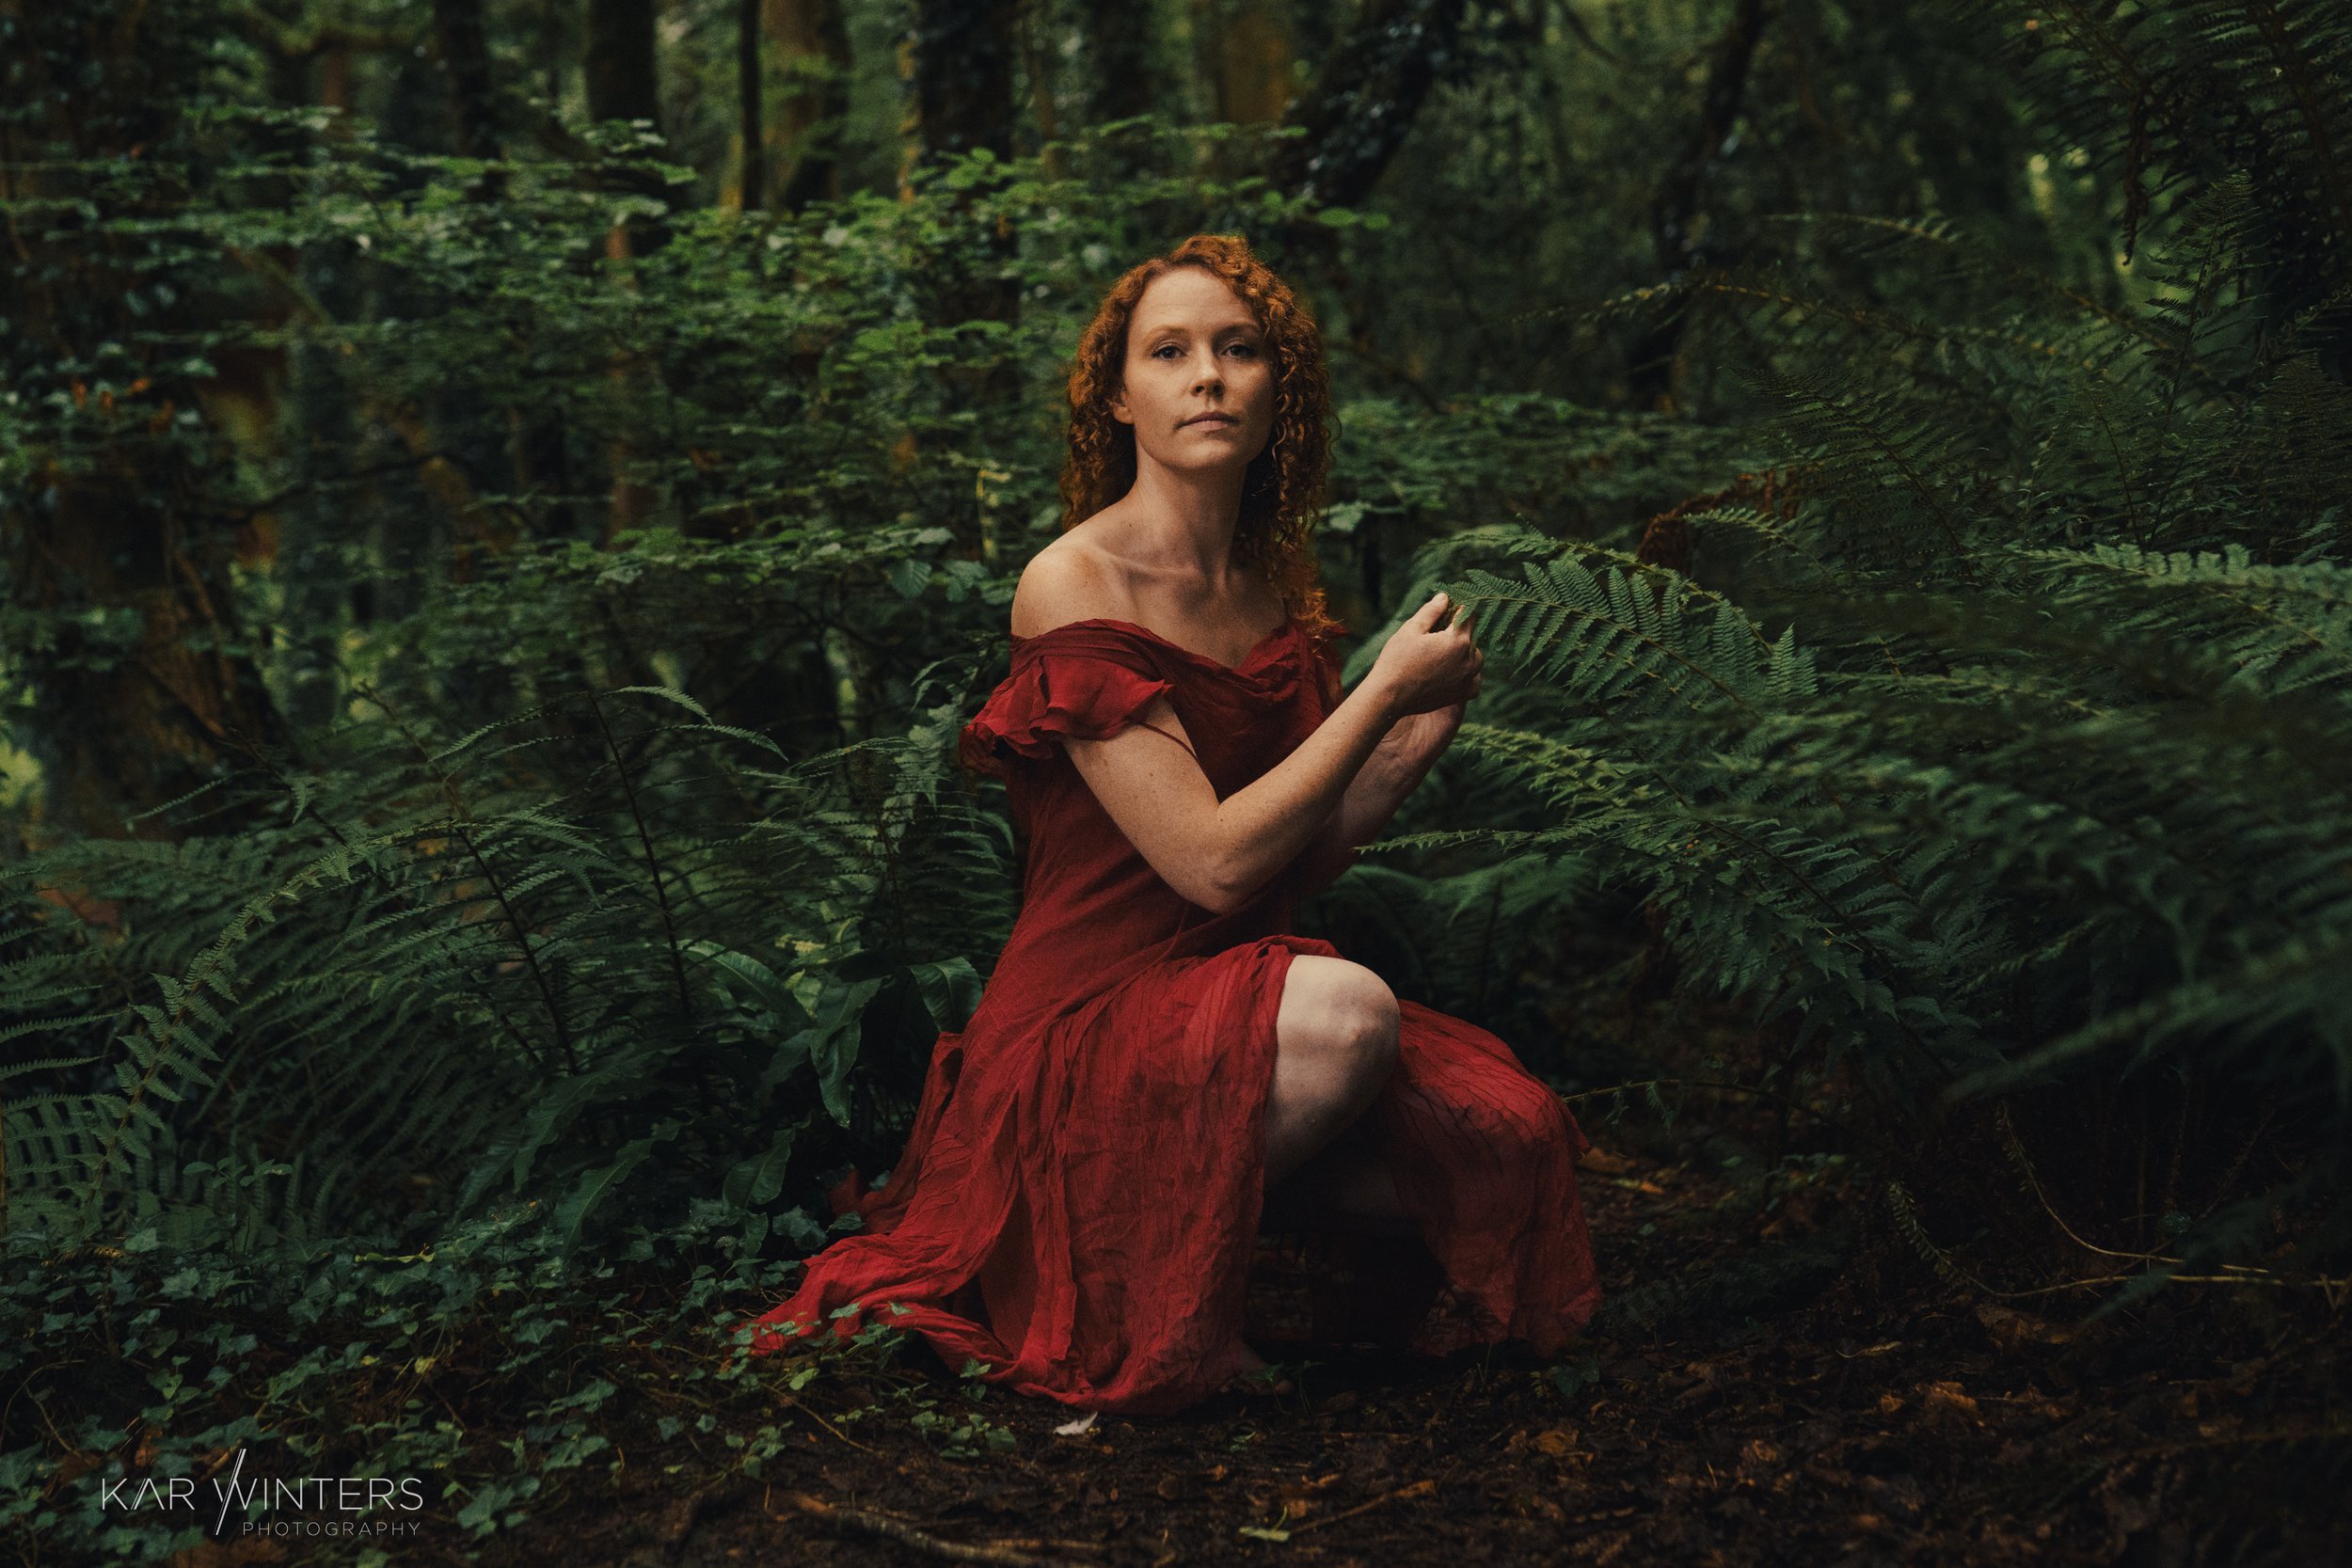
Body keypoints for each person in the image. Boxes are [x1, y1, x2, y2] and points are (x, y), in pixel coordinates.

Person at [744, 233, 1599, 1413]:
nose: (1208, 375)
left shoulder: (1267, 593)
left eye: (1238, 349)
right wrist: (1378, 696)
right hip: (1084, 1021)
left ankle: (1229, 1233)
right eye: (1171, 350)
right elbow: (1210, 861)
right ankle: (1116, 1279)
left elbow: (1296, 853)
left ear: (1275, 386)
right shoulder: (1073, 581)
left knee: (1507, 1135)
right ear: (1117, 392)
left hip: (1231, 1000)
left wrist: (1406, 741)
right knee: (1353, 1014)